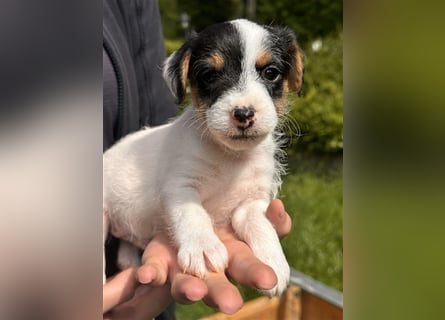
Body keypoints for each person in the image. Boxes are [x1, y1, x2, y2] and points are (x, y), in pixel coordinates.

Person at [103, 1, 292, 319]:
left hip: (146, 248)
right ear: (183, 77)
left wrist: (260, 232)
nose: (243, 108)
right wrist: (197, 234)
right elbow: (179, 189)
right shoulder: (188, 143)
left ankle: (128, 255)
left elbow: (250, 205)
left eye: (269, 73)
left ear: (293, 77)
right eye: (210, 75)